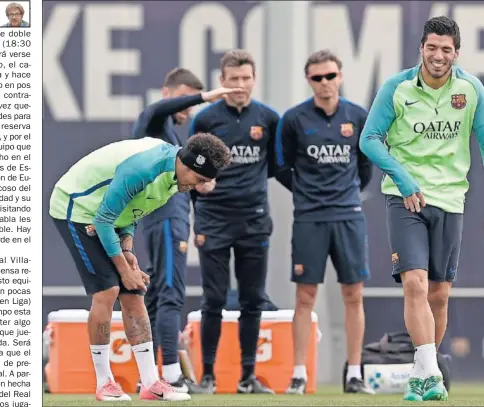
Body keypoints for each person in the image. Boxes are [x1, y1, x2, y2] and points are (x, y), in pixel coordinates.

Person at [48, 134, 232, 402]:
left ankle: (150, 383)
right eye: (200, 180)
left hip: (104, 214)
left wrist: (127, 252)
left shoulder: (175, 179)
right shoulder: (145, 169)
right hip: (75, 206)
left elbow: (131, 213)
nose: (198, 187)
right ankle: (104, 383)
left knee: (134, 293)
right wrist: (124, 269)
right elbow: (104, 220)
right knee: (108, 290)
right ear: (189, 165)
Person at [359, 16, 484, 401]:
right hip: (405, 198)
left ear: (456, 54)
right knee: (414, 282)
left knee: (440, 294)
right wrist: (403, 178)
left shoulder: (471, 89)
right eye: (432, 47)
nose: (438, 55)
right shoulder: (396, 87)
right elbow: (370, 139)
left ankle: (421, 374)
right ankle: (430, 371)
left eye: (446, 49)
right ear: (422, 49)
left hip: (451, 199)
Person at [189, 49, 292, 394]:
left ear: (254, 79)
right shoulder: (205, 120)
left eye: (246, 78)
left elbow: (279, 169)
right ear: (222, 82)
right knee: (213, 299)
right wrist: (199, 203)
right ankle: (207, 376)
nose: (240, 85)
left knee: (252, 299)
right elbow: (188, 173)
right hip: (213, 220)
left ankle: (248, 377)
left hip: (254, 222)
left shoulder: (268, 118)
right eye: (233, 80)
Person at [131, 67, 239, 393]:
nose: (187, 111)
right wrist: (208, 97)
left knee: (156, 298)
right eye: (184, 102)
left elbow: (172, 176)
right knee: (169, 295)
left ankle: (149, 377)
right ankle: (173, 375)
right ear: (167, 93)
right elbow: (157, 109)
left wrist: (197, 187)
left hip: (162, 216)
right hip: (165, 218)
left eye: (190, 106)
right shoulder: (153, 120)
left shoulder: (167, 133)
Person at [276, 50, 373, 395]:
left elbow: (365, 168)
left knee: (353, 294)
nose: (325, 83)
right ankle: (299, 373)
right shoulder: (294, 119)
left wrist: (344, 194)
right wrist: (306, 193)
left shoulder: (358, 116)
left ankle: (355, 374)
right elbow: (281, 166)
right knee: (304, 296)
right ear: (308, 81)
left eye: (330, 76)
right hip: (310, 218)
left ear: (340, 76)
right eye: (317, 78)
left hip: (348, 216)